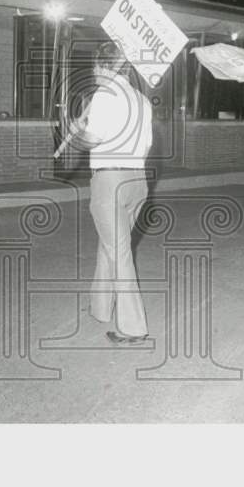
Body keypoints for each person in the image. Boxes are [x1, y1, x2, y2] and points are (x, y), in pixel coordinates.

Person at [70, 41, 153, 345]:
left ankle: (133, 327)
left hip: (110, 181)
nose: (92, 73)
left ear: (102, 66)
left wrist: (78, 128)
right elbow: (146, 145)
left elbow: (92, 139)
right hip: (137, 181)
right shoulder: (143, 100)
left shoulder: (104, 95)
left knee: (118, 252)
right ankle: (101, 307)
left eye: (94, 67)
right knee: (112, 246)